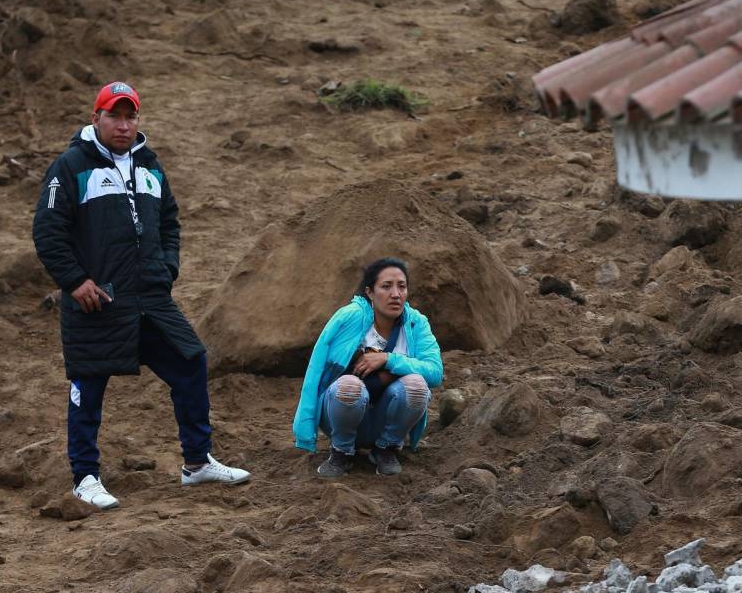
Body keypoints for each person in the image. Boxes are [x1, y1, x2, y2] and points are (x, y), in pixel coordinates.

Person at [32, 81, 249, 509]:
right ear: (96, 118)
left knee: (190, 361)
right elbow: (47, 231)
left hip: (150, 297)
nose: (123, 125)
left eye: (131, 116)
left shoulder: (150, 166)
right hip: (97, 301)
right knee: (88, 386)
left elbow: (170, 220)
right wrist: (75, 282)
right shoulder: (70, 166)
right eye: (114, 115)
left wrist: (167, 267)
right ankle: (85, 477)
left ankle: (196, 462)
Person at [292, 257, 443, 477]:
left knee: (417, 385)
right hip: (341, 413)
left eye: (402, 286)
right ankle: (341, 451)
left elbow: (435, 372)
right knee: (349, 385)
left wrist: (387, 360)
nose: (395, 294)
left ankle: (386, 448)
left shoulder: (415, 323)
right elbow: (322, 369)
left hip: (386, 419)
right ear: (370, 292)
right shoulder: (350, 318)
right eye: (386, 286)